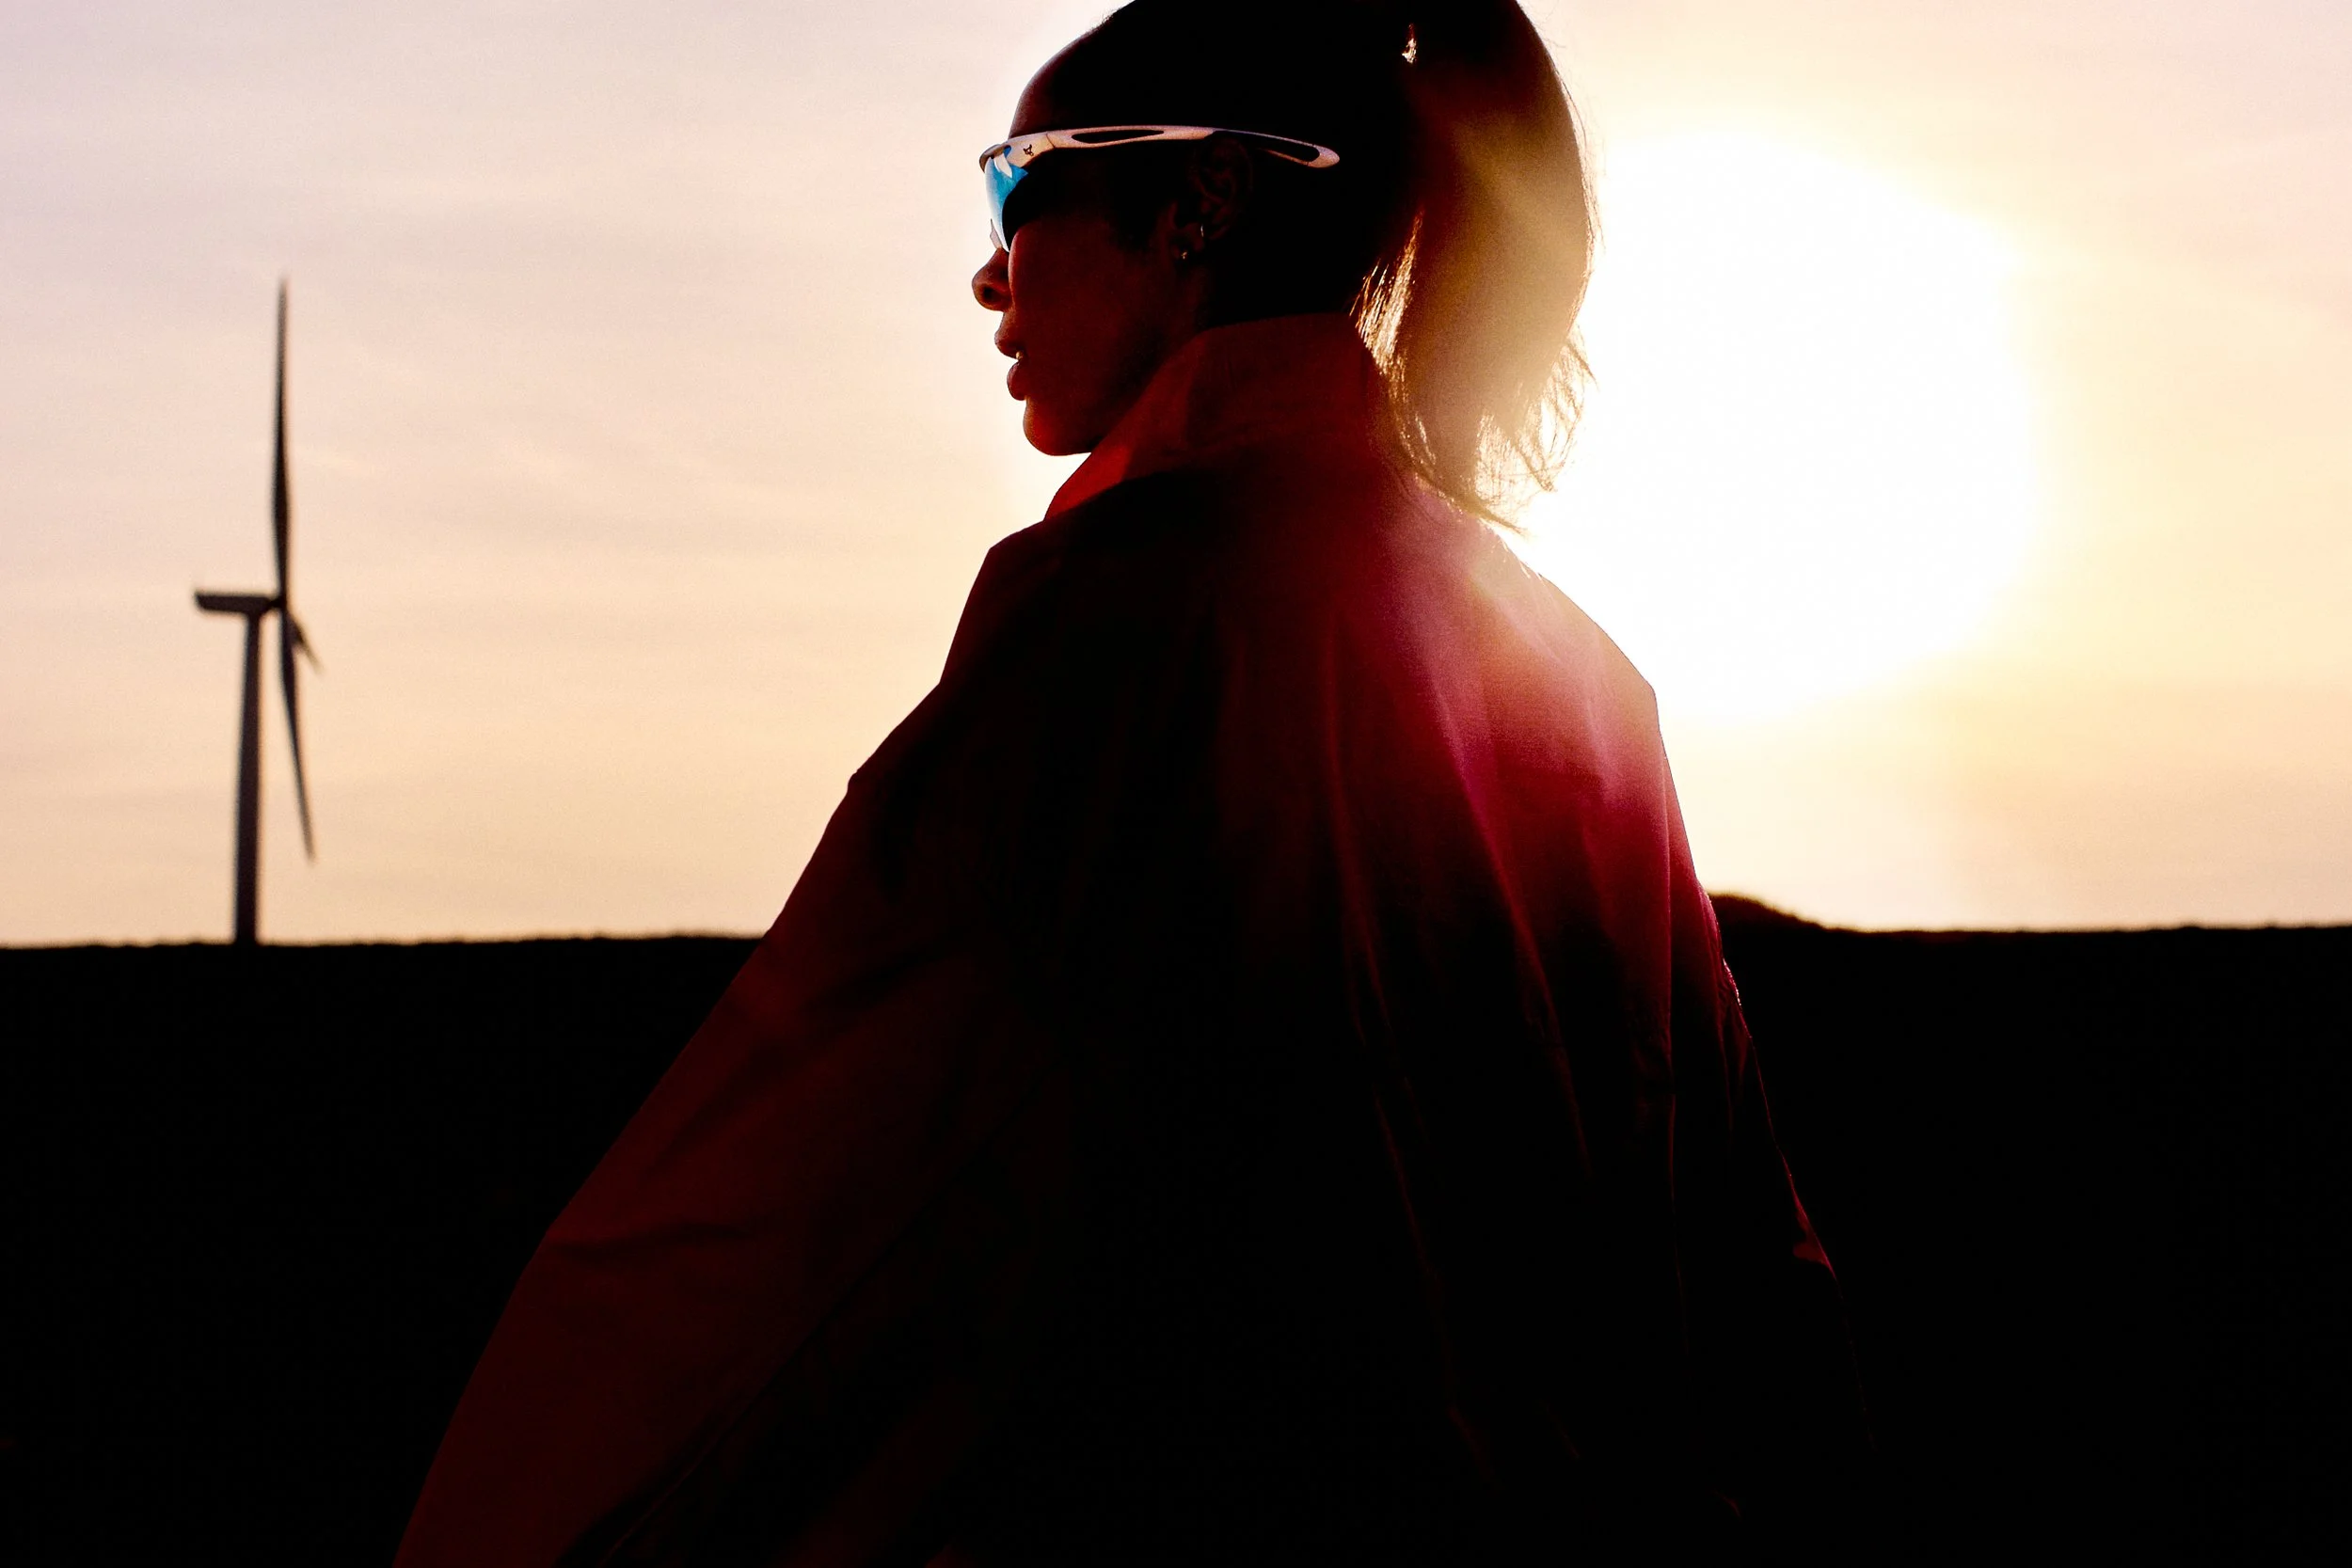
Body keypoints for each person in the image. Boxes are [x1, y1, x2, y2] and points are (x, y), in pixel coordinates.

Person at [395, 3, 1870, 1563]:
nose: (986, 271)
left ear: (1199, 207)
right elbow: (1756, 1272)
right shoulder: (1586, 691)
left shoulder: (1124, 629)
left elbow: (806, 1211)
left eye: (1014, 191)